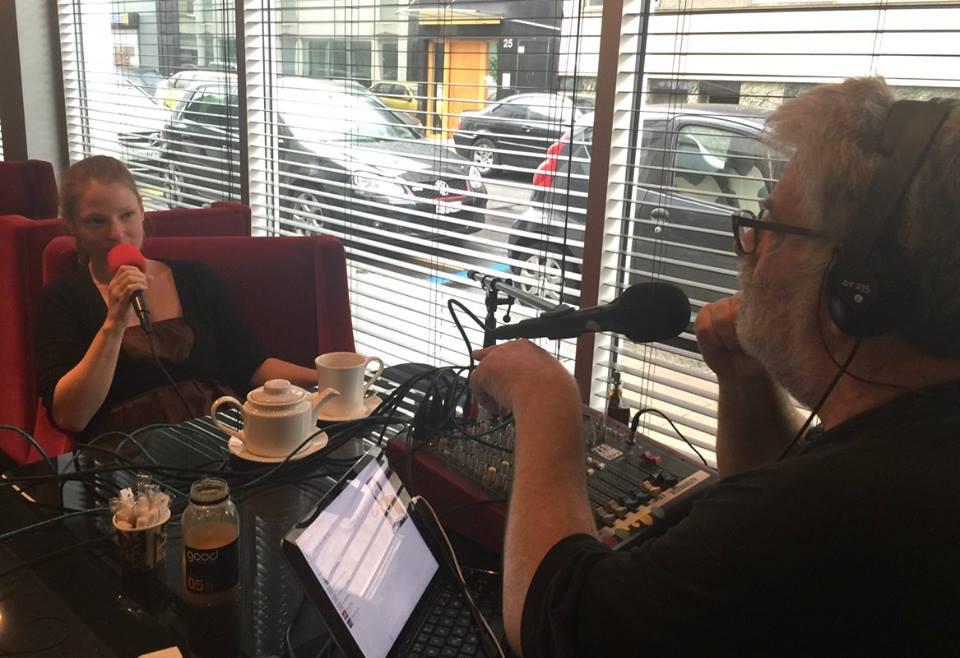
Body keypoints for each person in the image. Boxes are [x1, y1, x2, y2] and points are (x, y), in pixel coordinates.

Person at [470, 77, 960, 657]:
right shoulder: (915, 439)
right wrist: (747, 383)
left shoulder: (855, 501)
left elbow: (558, 625)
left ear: (858, 288)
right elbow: (771, 537)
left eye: (770, 227)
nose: (746, 246)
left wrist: (545, 399)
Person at [36, 155, 317, 440]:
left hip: (223, 435)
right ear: (72, 225)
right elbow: (71, 416)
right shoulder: (61, 299)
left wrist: (328, 379)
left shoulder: (195, 278)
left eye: (127, 215)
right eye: (96, 221)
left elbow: (252, 365)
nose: (117, 233)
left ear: (142, 210)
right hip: (128, 452)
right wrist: (114, 323)